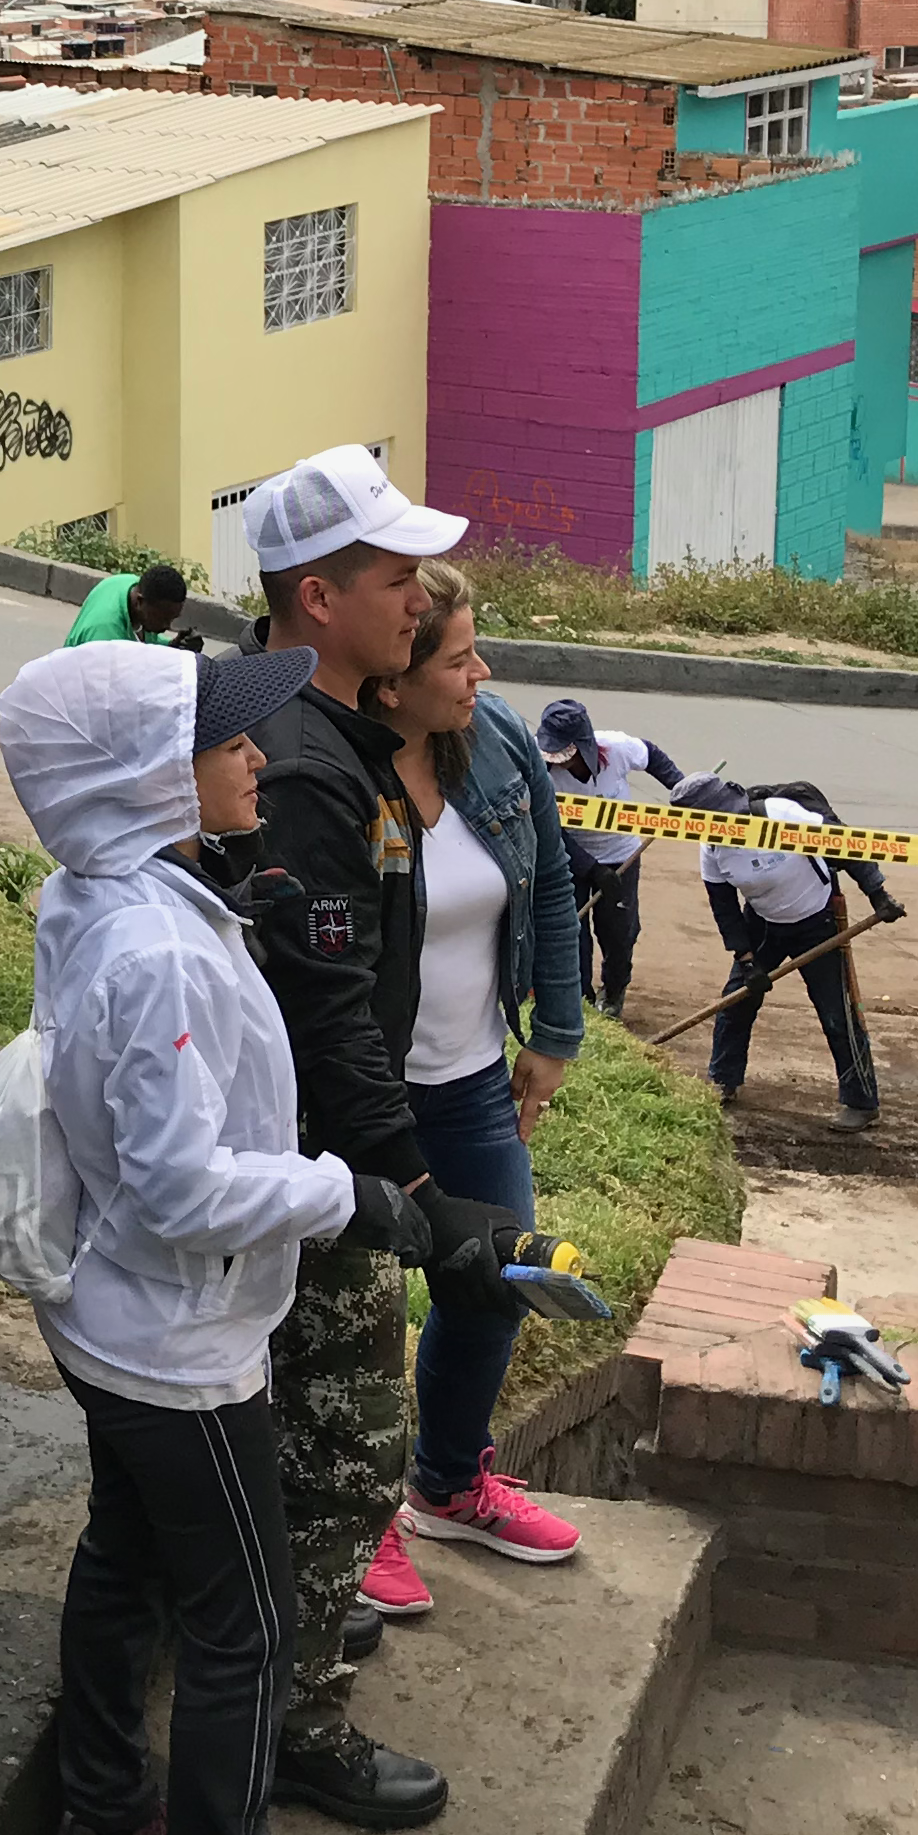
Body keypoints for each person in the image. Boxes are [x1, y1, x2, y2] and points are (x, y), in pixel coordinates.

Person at [6, 638, 450, 1835]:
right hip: (180, 1345)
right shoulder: (155, 955)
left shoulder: (115, 896)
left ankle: (99, 1816)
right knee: (244, 1636)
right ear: (147, 777)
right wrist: (347, 1198)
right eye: (225, 742)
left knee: (127, 1552)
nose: (258, 754)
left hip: (119, 1319)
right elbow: (178, 1191)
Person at [229, 445, 492, 1823]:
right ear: (316, 597)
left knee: (301, 1441)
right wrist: (402, 1177)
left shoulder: (318, 731)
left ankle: (293, 1639)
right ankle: (296, 1723)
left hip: (310, 1153)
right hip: (311, 1165)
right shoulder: (306, 763)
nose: (417, 600)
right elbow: (327, 997)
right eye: (394, 579)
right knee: (345, 1446)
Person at [360, 563, 588, 1604]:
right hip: (359, 1089)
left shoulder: (491, 739)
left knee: (496, 1281)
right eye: (457, 658)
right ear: (393, 679)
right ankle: (356, 1517)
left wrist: (555, 1031)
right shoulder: (328, 766)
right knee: (356, 1304)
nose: (481, 673)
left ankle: (446, 1488)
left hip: (470, 1081)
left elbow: (548, 879)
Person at [683, 772, 903, 1128]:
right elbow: (723, 907)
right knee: (737, 1001)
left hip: (817, 921)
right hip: (763, 925)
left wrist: (877, 893)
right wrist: (747, 960)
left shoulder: (782, 814)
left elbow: (844, 844)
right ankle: (723, 1080)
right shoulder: (710, 849)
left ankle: (861, 1103)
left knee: (837, 1013)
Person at [533, 698, 687, 1022]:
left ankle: (614, 991)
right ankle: (580, 998)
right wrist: (590, 868)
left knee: (619, 932)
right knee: (571, 929)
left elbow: (653, 757)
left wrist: (682, 790)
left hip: (621, 856)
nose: (559, 761)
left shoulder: (616, 748)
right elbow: (546, 829)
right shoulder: (536, 766)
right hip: (568, 858)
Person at [61, 558, 193, 649]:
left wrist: (172, 645)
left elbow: (141, 639)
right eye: (162, 618)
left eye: (172, 618)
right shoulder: (105, 637)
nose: (167, 626)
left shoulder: (131, 584)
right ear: (139, 602)